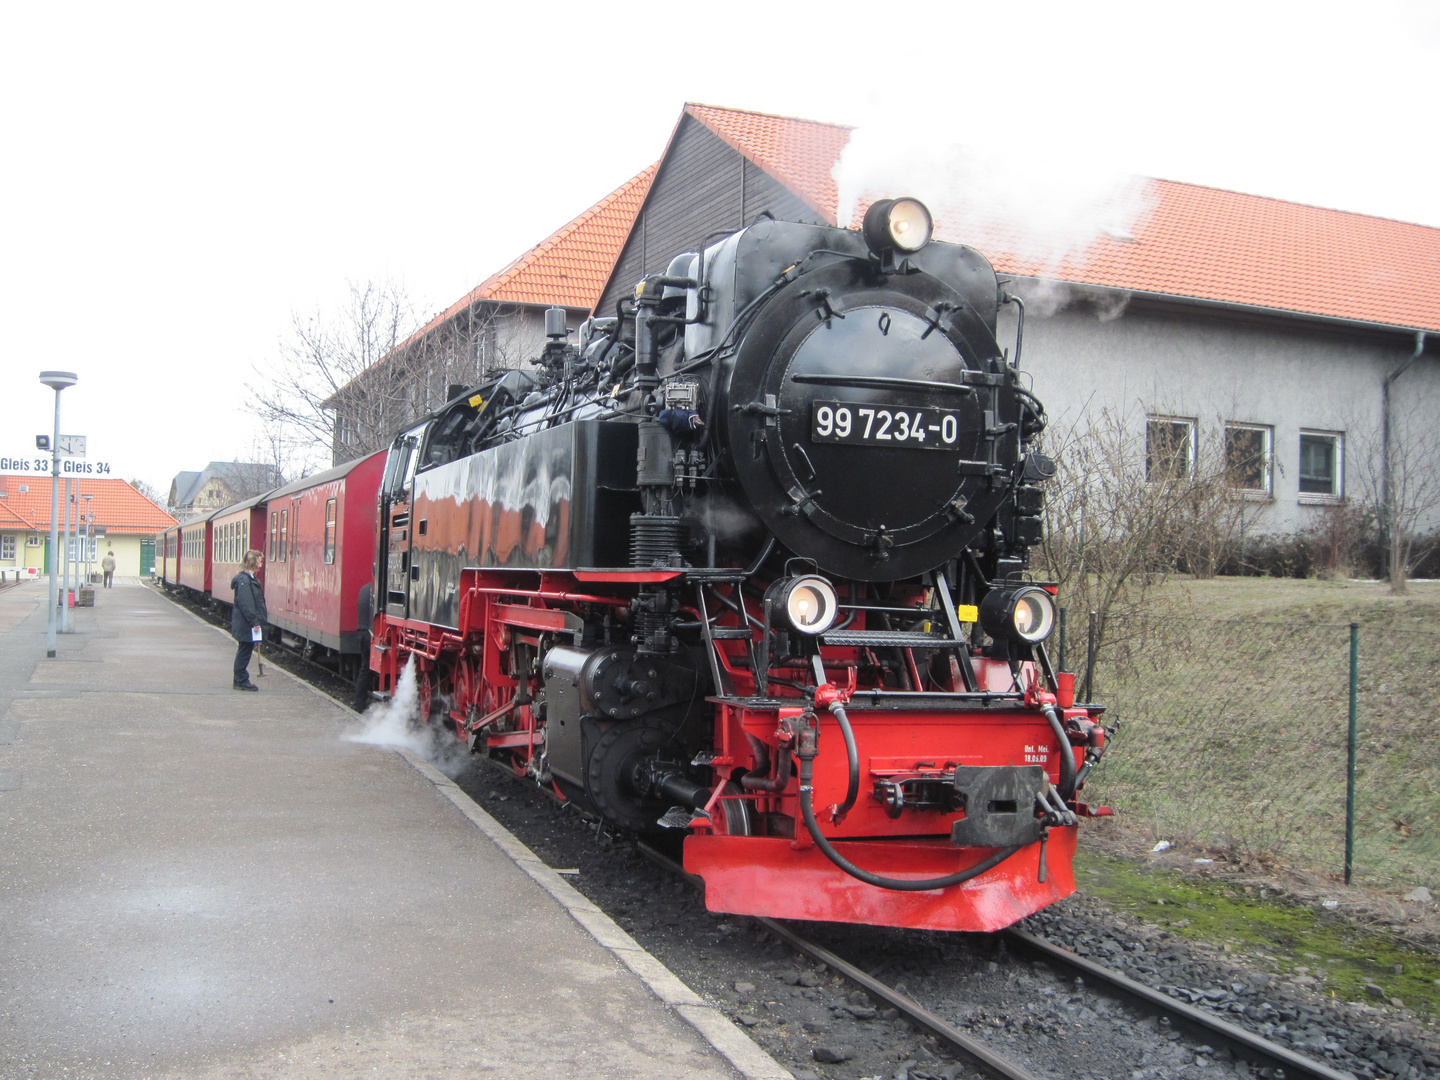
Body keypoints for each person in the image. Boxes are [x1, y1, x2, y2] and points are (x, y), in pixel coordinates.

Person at [231, 550, 267, 691]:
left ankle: (241, 678)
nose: (261, 564)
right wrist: (254, 622)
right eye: (259, 561)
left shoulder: (248, 579)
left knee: (245, 649)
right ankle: (240, 680)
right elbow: (246, 604)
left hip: (246, 623)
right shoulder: (244, 581)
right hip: (246, 624)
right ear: (253, 562)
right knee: (244, 650)